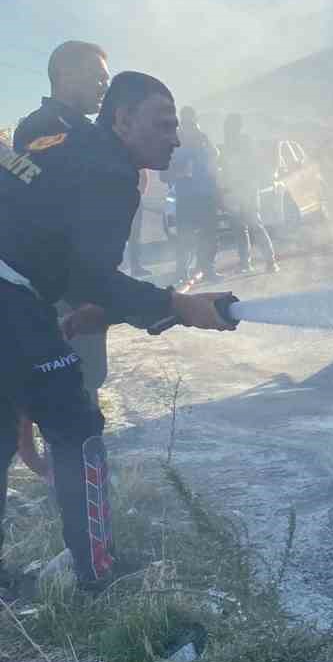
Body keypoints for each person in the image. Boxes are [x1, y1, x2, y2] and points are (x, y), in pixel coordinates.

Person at [0, 71, 237, 597]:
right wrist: (178, 305)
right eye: (162, 124)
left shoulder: (61, 140)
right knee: (75, 423)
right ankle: (99, 575)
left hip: (14, 292)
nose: (174, 137)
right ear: (122, 119)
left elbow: (57, 247)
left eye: (176, 126)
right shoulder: (111, 172)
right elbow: (90, 275)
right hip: (8, 293)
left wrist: (93, 310)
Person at [14, 42, 114, 396]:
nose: (106, 85)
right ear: (67, 74)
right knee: (75, 383)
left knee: (88, 378)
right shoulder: (44, 127)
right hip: (61, 283)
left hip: (80, 278)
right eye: (98, 77)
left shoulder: (80, 129)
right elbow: (51, 196)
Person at [12, 40, 110, 152]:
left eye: (107, 81)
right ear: (66, 75)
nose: (106, 88)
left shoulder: (32, 124)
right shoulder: (49, 128)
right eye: (99, 78)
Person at [165, 106, 220, 285]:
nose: (190, 124)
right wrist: (179, 171)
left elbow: (215, 155)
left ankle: (207, 268)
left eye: (192, 120)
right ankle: (182, 271)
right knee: (185, 235)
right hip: (186, 195)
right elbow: (166, 168)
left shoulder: (202, 137)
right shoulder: (175, 139)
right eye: (187, 120)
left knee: (209, 234)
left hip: (205, 193)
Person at [220, 114, 278, 273]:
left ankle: (270, 261)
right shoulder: (228, 146)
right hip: (235, 192)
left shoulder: (246, 143)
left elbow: (253, 167)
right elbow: (225, 171)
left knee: (254, 226)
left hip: (248, 191)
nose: (228, 131)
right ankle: (246, 263)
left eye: (230, 127)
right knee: (240, 229)